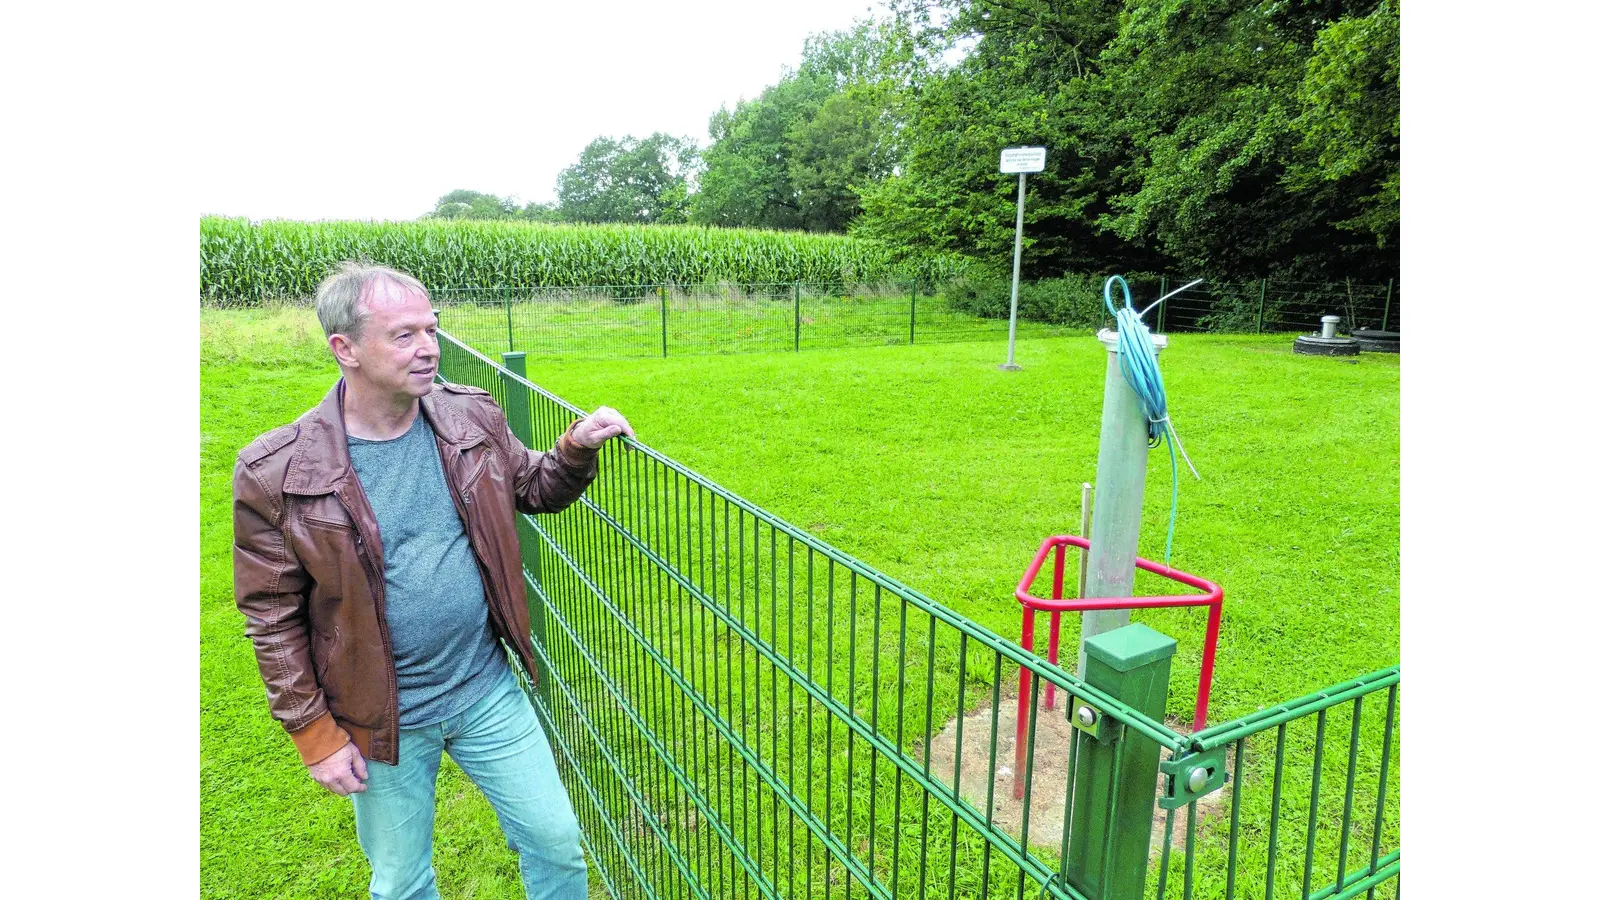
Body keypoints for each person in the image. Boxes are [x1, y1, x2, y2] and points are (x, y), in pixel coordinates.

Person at [231, 261, 633, 900]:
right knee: (402, 881)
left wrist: (576, 446)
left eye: (432, 329)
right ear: (346, 349)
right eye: (404, 335)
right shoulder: (276, 470)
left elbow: (529, 485)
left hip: (484, 687)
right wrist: (314, 733)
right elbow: (270, 614)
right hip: (380, 717)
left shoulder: (468, 418)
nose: (429, 349)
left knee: (556, 842)